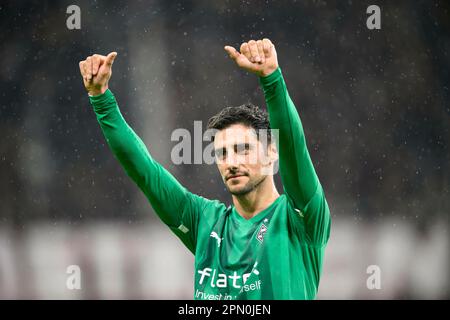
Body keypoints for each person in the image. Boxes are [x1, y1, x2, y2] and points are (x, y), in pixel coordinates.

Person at [78, 38, 331, 300]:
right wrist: (100, 98)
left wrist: (271, 80)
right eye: (222, 153)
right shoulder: (204, 221)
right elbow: (145, 171)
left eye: (243, 149)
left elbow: (294, 147)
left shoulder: (302, 218)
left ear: (271, 152)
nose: (231, 162)